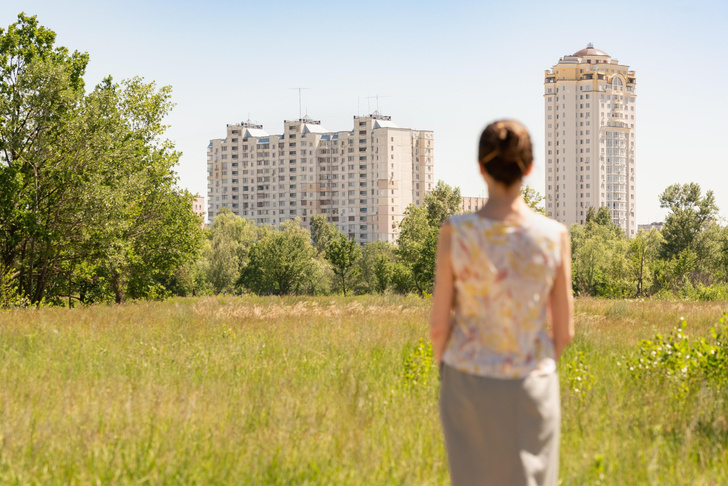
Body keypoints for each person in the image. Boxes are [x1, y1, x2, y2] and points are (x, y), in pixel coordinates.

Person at [430, 120, 574, 486]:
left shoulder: (456, 232)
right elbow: (564, 331)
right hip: (532, 382)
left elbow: (438, 327)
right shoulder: (554, 236)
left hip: (466, 381)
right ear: (528, 167)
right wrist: (533, 367)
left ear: (481, 168)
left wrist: (449, 367)